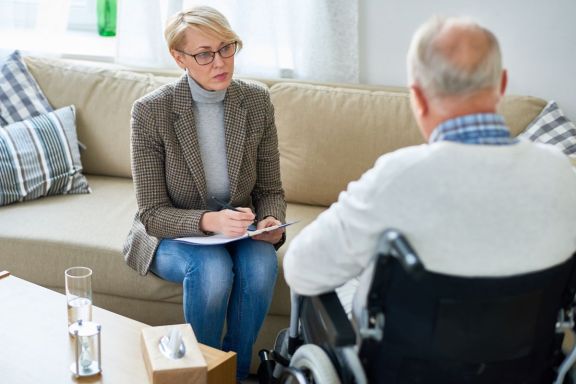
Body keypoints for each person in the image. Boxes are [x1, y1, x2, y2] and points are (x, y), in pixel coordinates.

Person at [283, 16, 576, 320]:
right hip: (527, 356)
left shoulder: (397, 176)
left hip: (407, 363)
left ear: (418, 97)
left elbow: (301, 269)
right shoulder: (560, 172)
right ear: (501, 85)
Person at [122, 6, 286, 380]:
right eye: (204, 54)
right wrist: (208, 221)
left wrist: (271, 222)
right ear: (179, 58)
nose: (220, 62)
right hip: (172, 233)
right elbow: (151, 213)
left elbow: (270, 189)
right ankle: (203, 374)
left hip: (238, 227)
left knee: (260, 265)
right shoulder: (151, 111)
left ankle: (238, 371)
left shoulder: (256, 101)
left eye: (227, 48)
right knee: (212, 270)